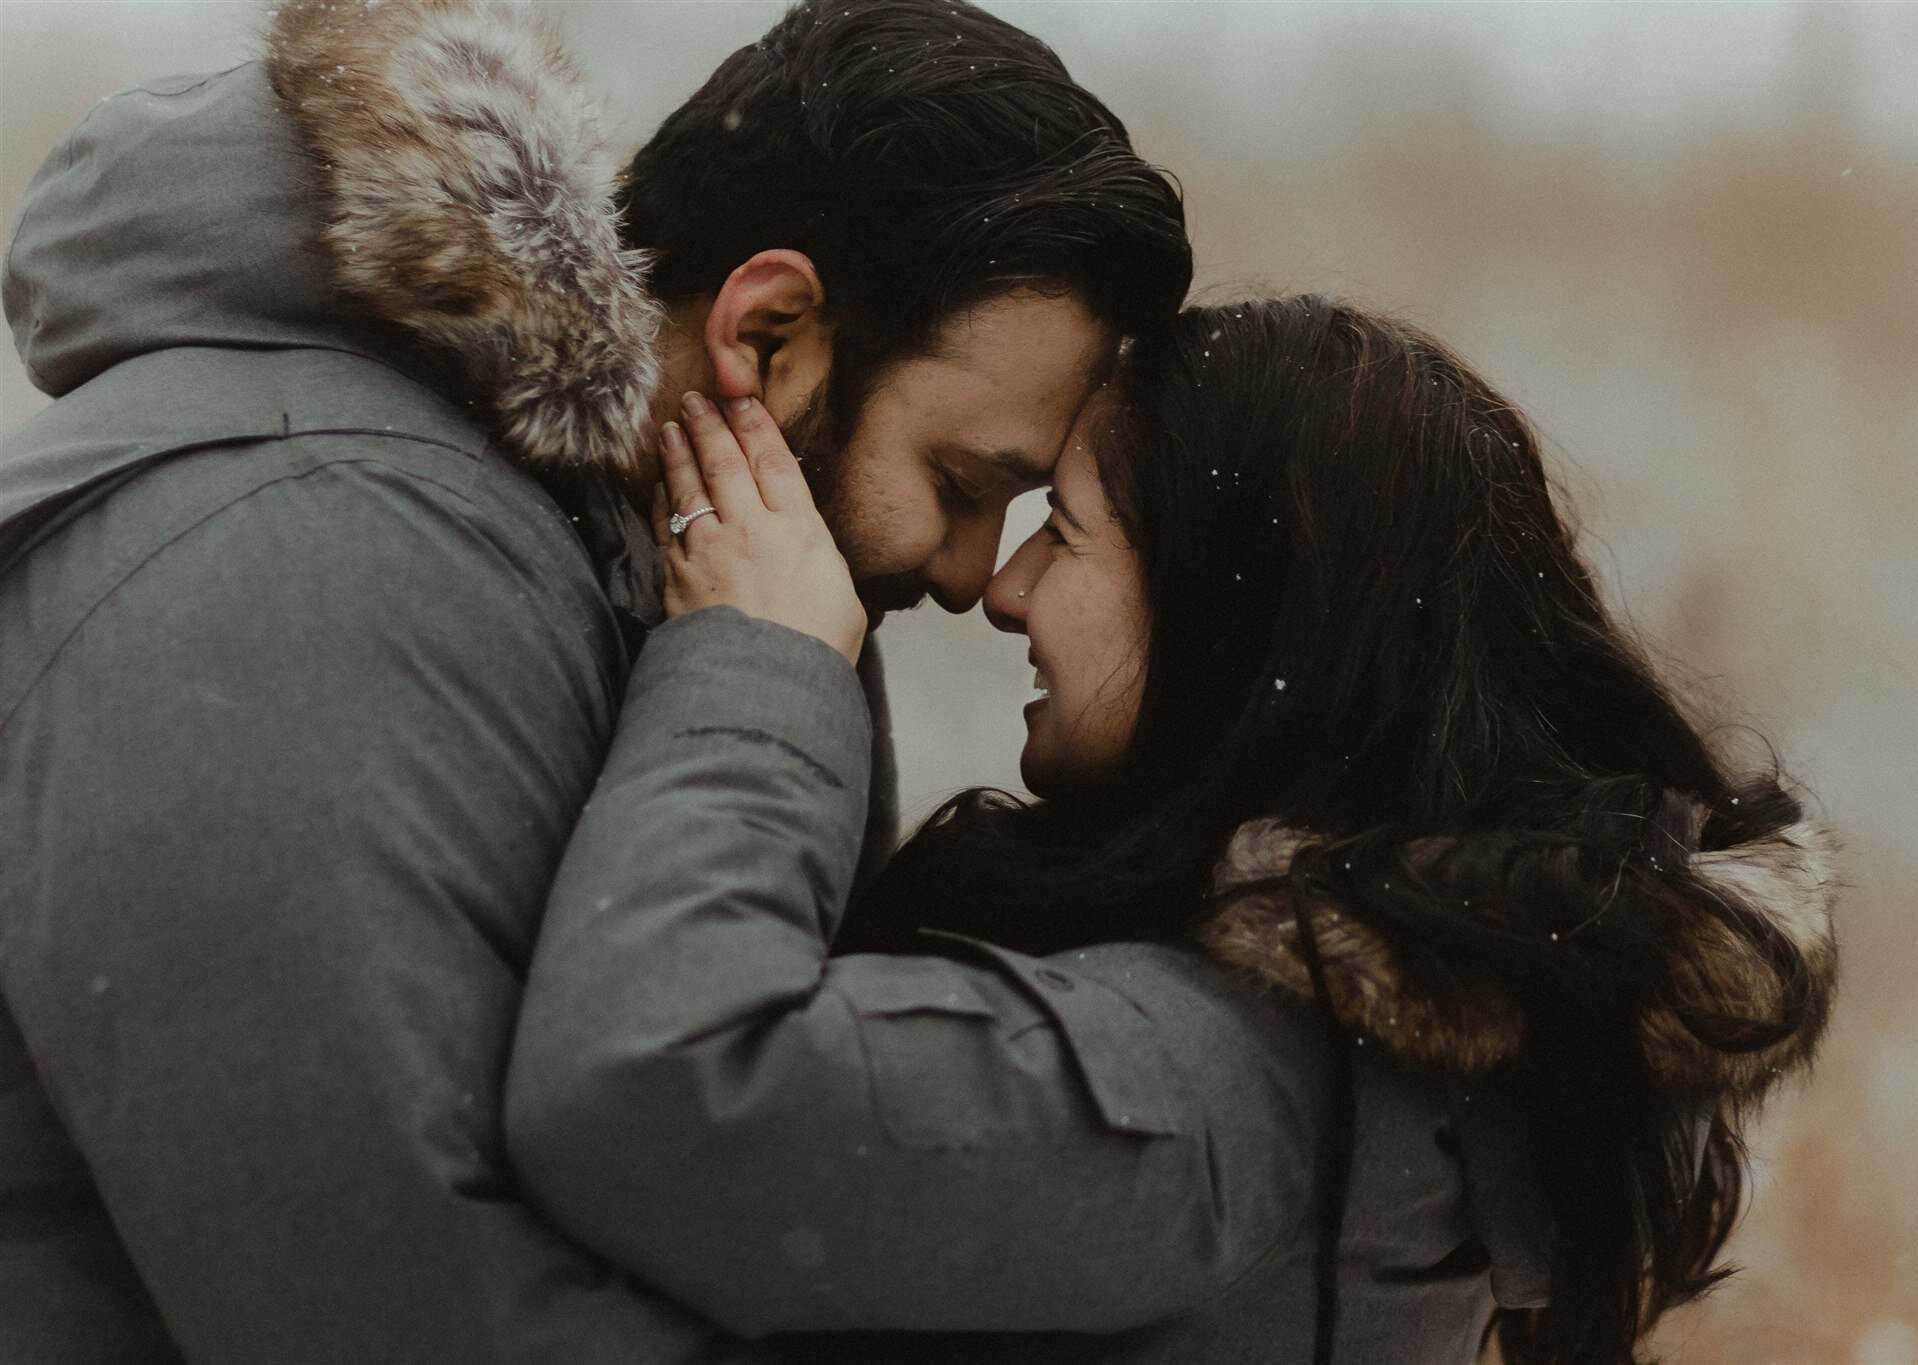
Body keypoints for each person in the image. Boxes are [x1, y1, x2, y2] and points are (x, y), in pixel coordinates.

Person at [0, 0, 1188, 1356]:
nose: (976, 571)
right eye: (962, 484)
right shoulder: (301, 553)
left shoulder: (641, 574)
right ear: (769, 332)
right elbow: (404, 1314)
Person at [506, 298, 1841, 1364]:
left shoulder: (1217, 1089)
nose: (1007, 588)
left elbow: (653, 1090)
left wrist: (754, 663)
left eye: (1067, 536)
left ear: (1233, 619)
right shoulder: (1370, 1032)